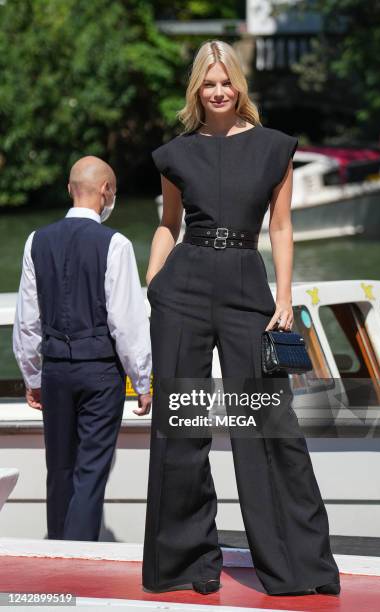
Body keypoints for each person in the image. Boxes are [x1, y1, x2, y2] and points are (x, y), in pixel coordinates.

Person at [142, 40, 340, 596]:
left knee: (268, 424)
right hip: (181, 288)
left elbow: (280, 228)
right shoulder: (176, 153)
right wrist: (153, 280)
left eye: (226, 81)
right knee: (181, 423)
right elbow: (168, 223)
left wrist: (283, 297)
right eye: (208, 83)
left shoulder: (276, 148)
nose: (219, 90)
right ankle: (183, 562)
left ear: (240, 85)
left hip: (247, 288)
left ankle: (296, 567)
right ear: (196, 90)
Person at [13, 156, 152, 541]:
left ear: (69, 188)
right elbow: (126, 321)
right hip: (101, 371)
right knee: (90, 471)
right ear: (106, 190)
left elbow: (28, 319)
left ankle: (58, 547)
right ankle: (80, 557)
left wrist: (32, 375)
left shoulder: (35, 241)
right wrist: (143, 379)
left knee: (58, 469)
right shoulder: (116, 244)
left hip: (55, 369)